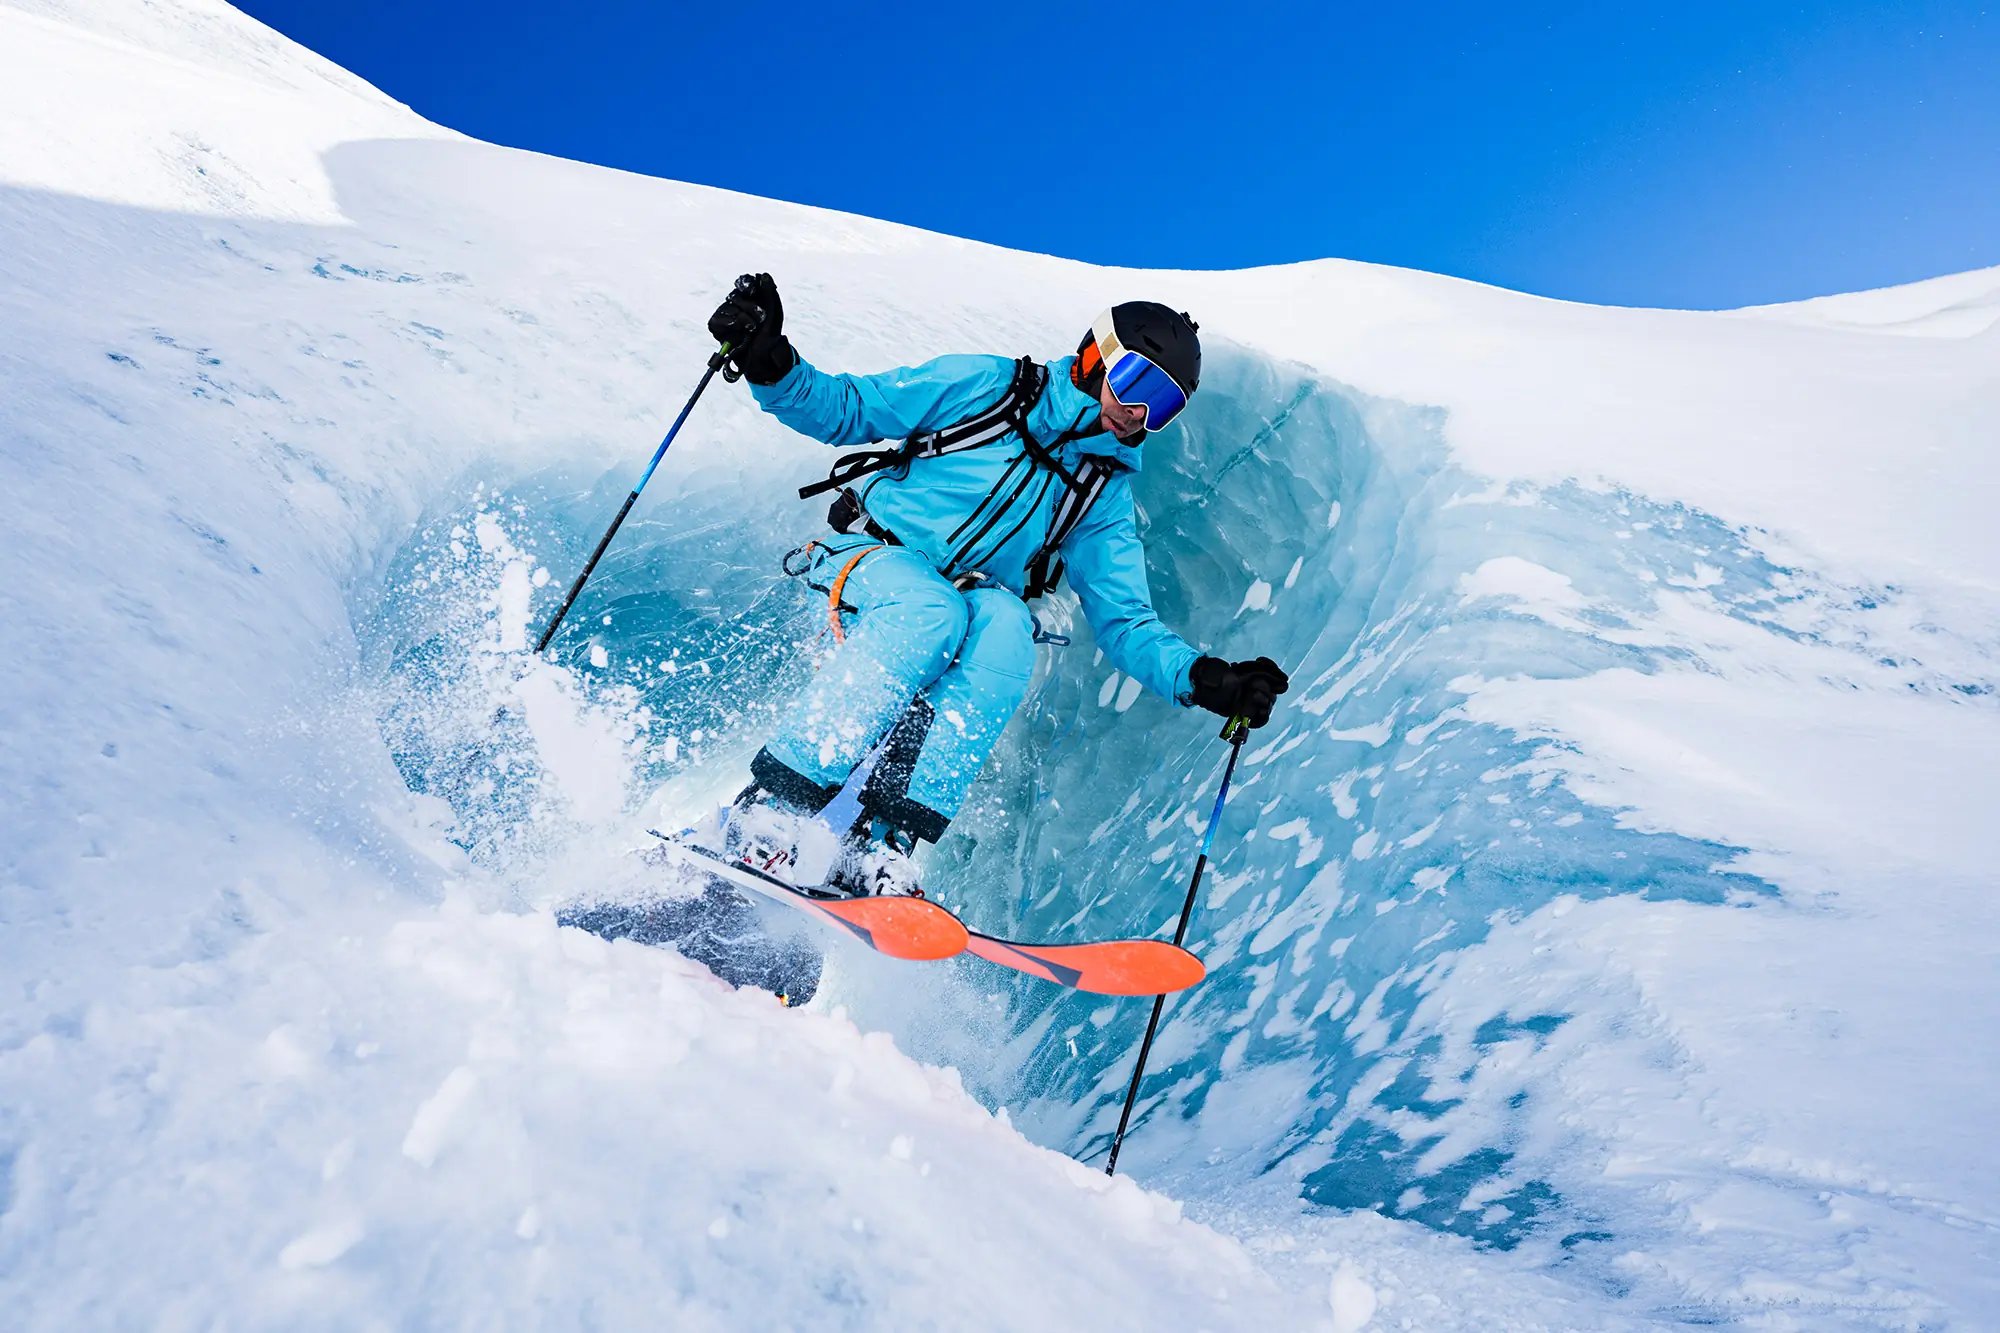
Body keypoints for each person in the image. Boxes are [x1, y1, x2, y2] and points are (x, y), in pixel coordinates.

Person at [706, 274, 1288, 896]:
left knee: (1008, 627)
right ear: (1098, 356)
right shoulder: (990, 387)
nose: (1140, 414)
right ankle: (773, 805)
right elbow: (849, 410)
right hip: (868, 559)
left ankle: (880, 844)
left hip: (957, 600)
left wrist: (1204, 679)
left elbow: (1125, 623)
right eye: (1138, 384)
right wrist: (768, 358)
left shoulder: (1100, 492)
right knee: (932, 610)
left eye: (1163, 406)